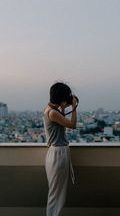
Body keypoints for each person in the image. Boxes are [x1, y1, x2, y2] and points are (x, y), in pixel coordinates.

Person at [43, 81, 78, 216]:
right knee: (56, 194)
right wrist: (74, 108)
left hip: (56, 153)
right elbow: (72, 125)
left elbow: (62, 127)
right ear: (62, 99)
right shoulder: (53, 113)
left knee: (56, 193)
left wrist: (63, 108)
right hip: (58, 153)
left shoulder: (50, 110)